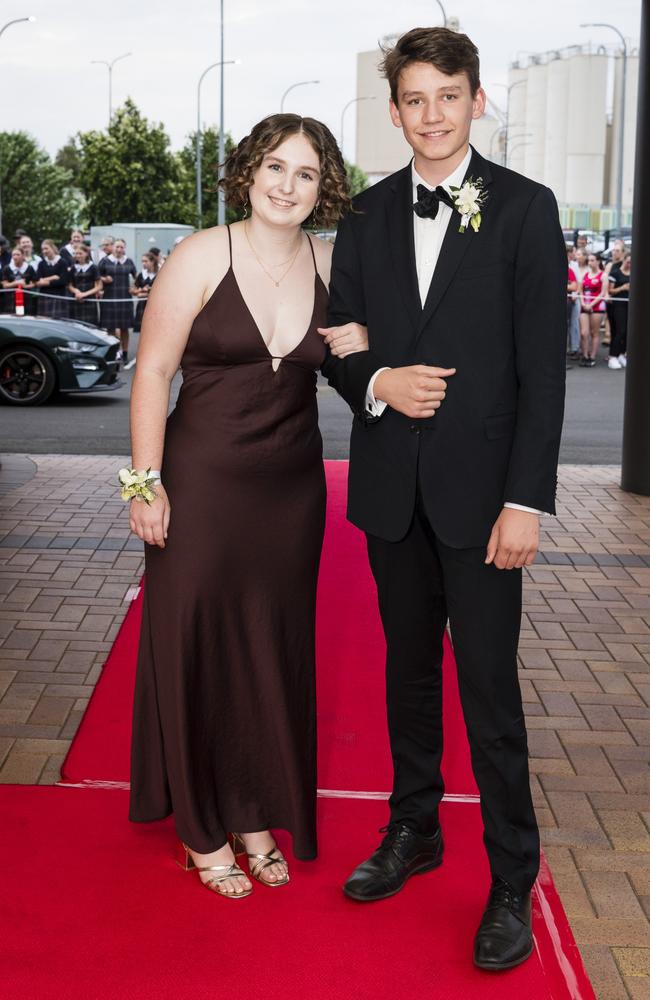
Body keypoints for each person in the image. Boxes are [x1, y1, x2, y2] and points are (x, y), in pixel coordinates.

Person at [319, 26, 566, 972]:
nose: (431, 114)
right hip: (393, 494)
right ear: (394, 111)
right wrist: (381, 381)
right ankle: (414, 830)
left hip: (483, 498)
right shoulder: (369, 216)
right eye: (414, 99)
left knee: (490, 691)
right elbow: (342, 343)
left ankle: (513, 879)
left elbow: (543, 375)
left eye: (448, 96)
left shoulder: (526, 210)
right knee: (408, 676)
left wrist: (526, 503)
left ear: (476, 102)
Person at [126, 114, 368, 900]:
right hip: (197, 483)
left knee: (269, 652)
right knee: (191, 641)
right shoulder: (202, 253)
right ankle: (200, 828)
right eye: (274, 167)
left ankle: (256, 814)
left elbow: (365, 361)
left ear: (321, 186)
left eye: (304, 173)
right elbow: (153, 374)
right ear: (248, 172)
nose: (286, 185)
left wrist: (366, 340)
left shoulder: (332, 261)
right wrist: (144, 481)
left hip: (290, 494)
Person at [98, 238, 136, 362]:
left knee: (124, 327)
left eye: (121, 247)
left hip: (125, 297)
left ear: (124, 248)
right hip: (109, 297)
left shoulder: (129, 261)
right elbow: (97, 277)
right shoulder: (104, 261)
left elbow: (137, 278)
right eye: (117, 247)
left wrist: (134, 288)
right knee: (111, 328)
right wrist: (104, 280)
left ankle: (124, 353)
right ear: (112, 247)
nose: (119, 249)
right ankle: (113, 351)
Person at [579, 253, 606, 367]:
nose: (590, 263)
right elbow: (580, 291)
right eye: (589, 260)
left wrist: (592, 304)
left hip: (597, 307)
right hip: (585, 306)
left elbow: (602, 293)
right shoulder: (585, 275)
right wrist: (583, 303)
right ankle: (585, 355)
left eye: (592, 260)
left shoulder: (603, 275)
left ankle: (592, 356)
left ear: (598, 261)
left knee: (594, 332)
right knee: (584, 333)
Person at [35, 240, 71, 319]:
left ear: (52, 248)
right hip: (44, 295)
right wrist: (53, 277)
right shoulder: (41, 263)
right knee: (44, 320)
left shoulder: (62, 262)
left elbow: (63, 281)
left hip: (59, 295)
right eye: (43, 249)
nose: (44, 251)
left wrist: (45, 282)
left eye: (46, 248)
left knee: (59, 321)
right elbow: (37, 281)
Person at [607, 251, 631, 370]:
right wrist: (623, 287)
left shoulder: (634, 273)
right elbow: (610, 291)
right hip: (617, 305)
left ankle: (622, 354)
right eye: (628, 262)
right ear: (624, 260)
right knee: (619, 330)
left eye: (631, 262)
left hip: (630, 305)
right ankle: (612, 356)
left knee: (627, 331)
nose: (629, 264)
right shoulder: (615, 273)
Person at [68, 244, 102, 325]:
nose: (78, 255)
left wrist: (84, 294)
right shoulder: (73, 267)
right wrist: (76, 292)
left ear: (86, 253)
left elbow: (99, 286)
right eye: (76, 253)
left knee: (90, 326)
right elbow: (69, 285)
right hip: (76, 300)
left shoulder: (93, 267)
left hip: (89, 300)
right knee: (76, 325)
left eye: (80, 253)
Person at [1, 245, 36, 313]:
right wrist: (16, 283)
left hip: (26, 299)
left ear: (23, 256)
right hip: (11, 300)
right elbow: (5, 285)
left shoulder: (29, 268)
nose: (15, 257)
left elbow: (34, 283)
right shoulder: (7, 268)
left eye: (18, 254)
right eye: (13, 255)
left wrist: (25, 286)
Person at [130, 252, 159, 335]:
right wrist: (139, 291)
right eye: (142, 261)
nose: (143, 263)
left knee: (155, 330)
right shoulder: (141, 274)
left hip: (155, 305)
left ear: (152, 262)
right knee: (143, 331)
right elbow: (132, 290)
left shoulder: (159, 274)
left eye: (146, 261)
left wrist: (146, 293)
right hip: (142, 306)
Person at [566, 247, 579, 362]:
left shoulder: (570, 270)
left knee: (568, 326)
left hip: (566, 303)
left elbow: (574, 286)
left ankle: (571, 350)